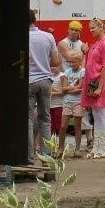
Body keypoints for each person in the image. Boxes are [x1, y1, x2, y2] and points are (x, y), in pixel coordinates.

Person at [27, 9, 61, 160]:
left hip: (28, 81)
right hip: (45, 81)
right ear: (34, 19)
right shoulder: (48, 36)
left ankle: (29, 155)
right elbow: (55, 62)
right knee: (45, 118)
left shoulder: (21, 36)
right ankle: (47, 156)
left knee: (27, 118)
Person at [81, 18, 105, 158]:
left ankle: (104, 149)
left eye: (93, 28)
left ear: (101, 28)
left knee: (103, 114)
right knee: (96, 115)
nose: (91, 30)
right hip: (93, 82)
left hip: (102, 83)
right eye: (90, 28)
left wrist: (100, 87)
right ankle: (97, 147)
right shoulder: (97, 43)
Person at [58, 35, 87, 155]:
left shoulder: (82, 72)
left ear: (79, 61)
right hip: (67, 102)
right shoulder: (67, 71)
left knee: (77, 127)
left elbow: (80, 88)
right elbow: (64, 88)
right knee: (63, 126)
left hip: (78, 102)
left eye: (73, 62)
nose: (71, 64)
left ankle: (77, 149)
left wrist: (69, 89)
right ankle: (60, 148)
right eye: (70, 62)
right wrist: (72, 88)